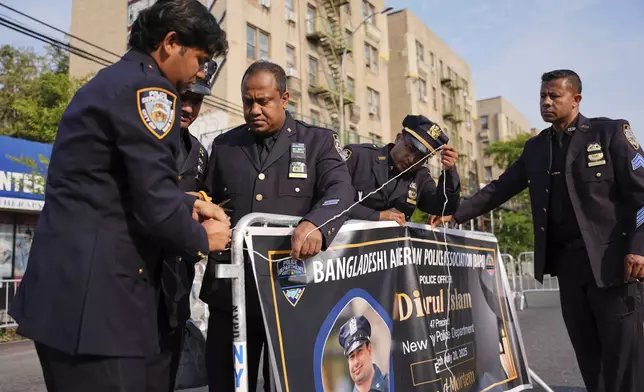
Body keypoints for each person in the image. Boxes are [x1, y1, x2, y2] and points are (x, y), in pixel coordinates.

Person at [8, 1, 231, 391]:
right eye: (200, 59)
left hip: (82, 305)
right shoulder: (151, 91)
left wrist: (188, 203)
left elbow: (108, 187)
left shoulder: (114, 81)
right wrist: (203, 239)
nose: (201, 73)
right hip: (97, 314)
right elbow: (154, 204)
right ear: (171, 42)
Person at [432, 69, 644, 392]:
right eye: (542, 96)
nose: (546, 102)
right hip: (569, 270)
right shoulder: (536, 149)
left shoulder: (609, 133)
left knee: (624, 364)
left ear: (576, 99)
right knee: (589, 359)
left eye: (554, 96)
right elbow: (499, 188)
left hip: (614, 267)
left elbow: (640, 193)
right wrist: (455, 214)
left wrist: (640, 246)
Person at [200, 60, 355, 391]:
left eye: (263, 101)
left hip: (288, 287)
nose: (254, 109)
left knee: (283, 382)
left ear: (284, 98)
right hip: (229, 289)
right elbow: (206, 200)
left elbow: (342, 189)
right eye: (247, 101)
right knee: (225, 382)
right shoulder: (225, 147)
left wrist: (316, 223)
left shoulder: (317, 143)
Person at [147, 59, 219, 392]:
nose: (189, 106)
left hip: (176, 284)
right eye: (184, 96)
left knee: (168, 371)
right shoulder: (145, 138)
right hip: (140, 278)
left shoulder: (200, 154)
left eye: (198, 99)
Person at [342, 115, 460, 225]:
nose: (412, 159)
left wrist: (450, 172)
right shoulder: (359, 157)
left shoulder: (420, 177)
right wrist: (377, 216)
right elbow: (330, 200)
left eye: (421, 157)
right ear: (399, 138)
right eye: (410, 148)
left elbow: (443, 207)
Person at [338, 315, 389, 392]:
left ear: (369, 350)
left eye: (359, 352)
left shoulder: (393, 386)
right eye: (352, 356)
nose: (356, 362)